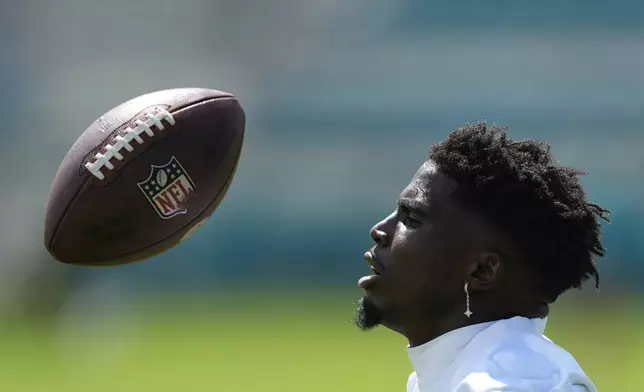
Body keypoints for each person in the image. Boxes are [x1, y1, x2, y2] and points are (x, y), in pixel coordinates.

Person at [355, 122, 609, 392]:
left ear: (482, 271)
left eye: (412, 218)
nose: (379, 230)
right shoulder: (458, 374)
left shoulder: (512, 383)